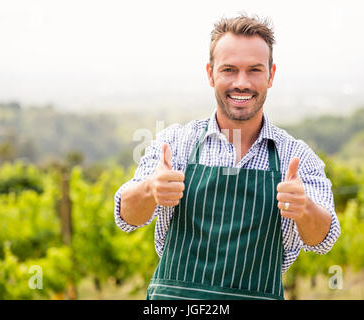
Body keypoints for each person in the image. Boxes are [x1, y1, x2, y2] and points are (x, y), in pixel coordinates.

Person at [114, 14, 340, 300]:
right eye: (229, 70)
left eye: (255, 70)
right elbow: (126, 217)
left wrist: (303, 207)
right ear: (210, 74)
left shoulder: (296, 156)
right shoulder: (175, 143)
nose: (242, 83)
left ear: (271, 75)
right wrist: (150, 189)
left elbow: (323, 239)